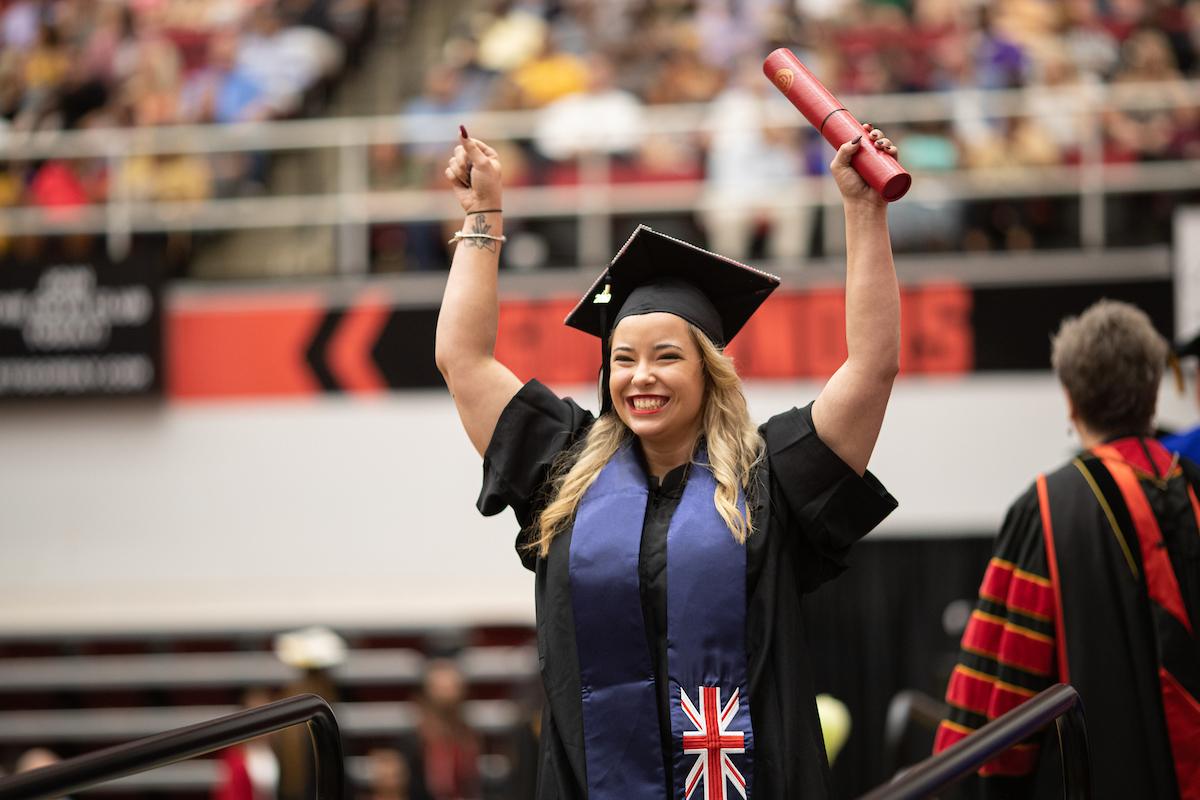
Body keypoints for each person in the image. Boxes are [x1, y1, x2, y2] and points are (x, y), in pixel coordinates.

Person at [434, 123, 901, 799]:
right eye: (622, 360)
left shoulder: (769, 479)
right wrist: (483, 214)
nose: (640, 378)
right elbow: (463, 360)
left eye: (667, 357)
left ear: (711, 371)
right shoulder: (566, 471)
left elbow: (873, 368)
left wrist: (863, 211)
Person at [933, 300, 1200, 799]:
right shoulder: (1193, 486)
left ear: (1071, 402)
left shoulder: (1049, 508)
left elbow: (1003, 694)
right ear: (1153, 393)